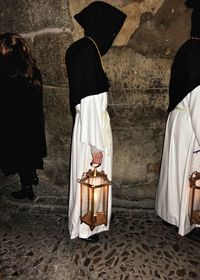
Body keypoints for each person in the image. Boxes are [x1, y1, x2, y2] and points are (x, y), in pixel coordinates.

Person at [65, 1, 126, 242]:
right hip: (92, 129)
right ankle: (86, 226)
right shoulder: (87, 51)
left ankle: (91, 221)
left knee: (90, 178)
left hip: (90, 125)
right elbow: (89, 98)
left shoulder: (84, 48)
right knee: (90, 176)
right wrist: (95, 145)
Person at [155, 0, 200, 241]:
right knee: (190, 176)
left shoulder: (187, 49)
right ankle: (190, 223)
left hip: (180, 120)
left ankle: (173, 216)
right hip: (192, 124)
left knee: (177, 174)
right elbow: (199, 101)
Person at [0, 33, 47, 201]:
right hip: (31, 119)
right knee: (29, 150)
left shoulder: (7, 68)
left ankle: (27, 188)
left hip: (14, 120)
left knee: (19, 153)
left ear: (7, 49)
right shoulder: (31, 68)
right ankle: (32, 176)